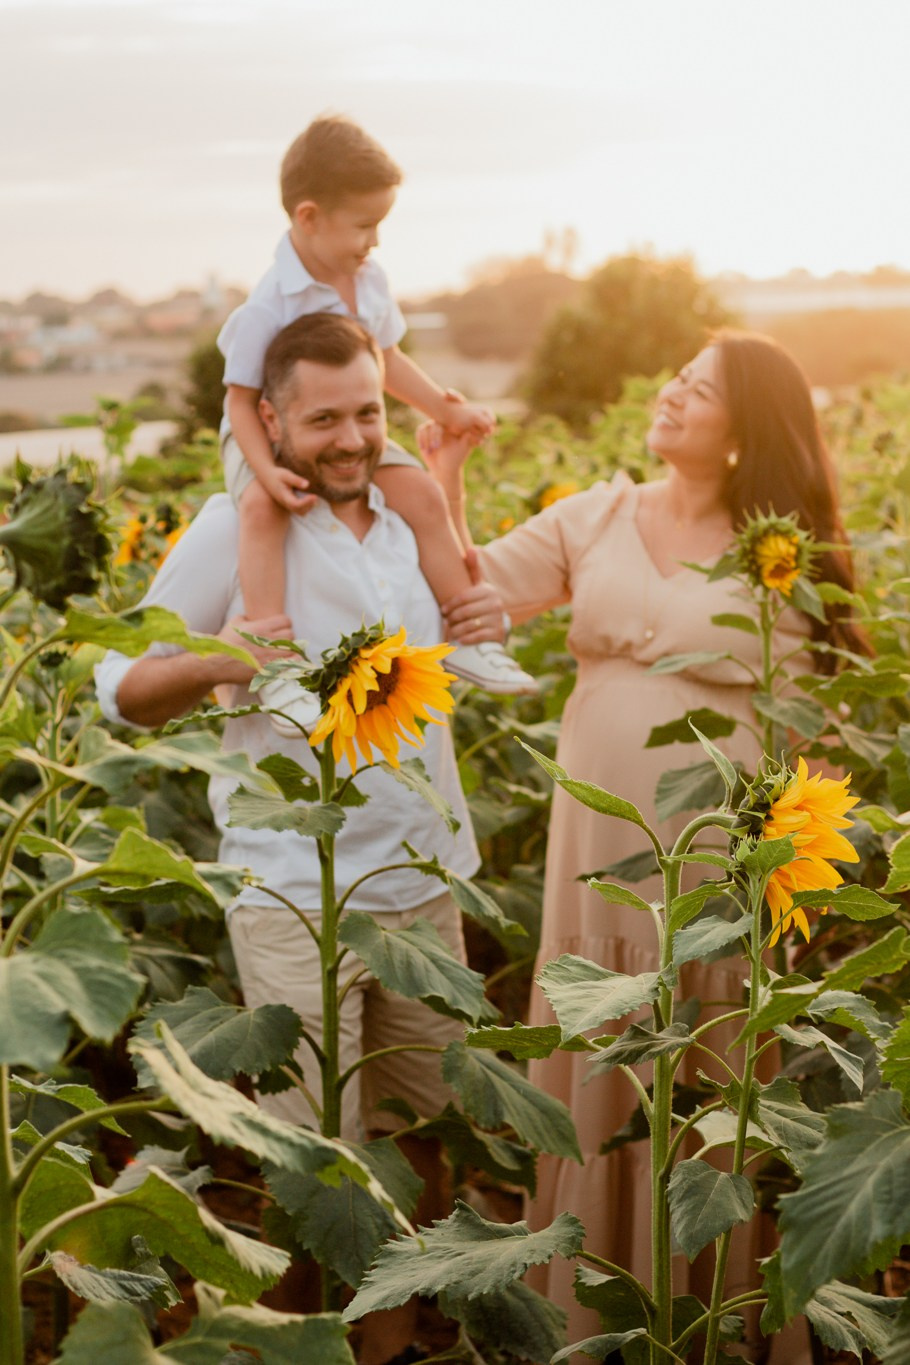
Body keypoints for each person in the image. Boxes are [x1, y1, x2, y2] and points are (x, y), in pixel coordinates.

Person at [423, 331, 865, 1356]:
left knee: (703, 1065)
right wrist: (444, 468)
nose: (669, 395)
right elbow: (469, 584)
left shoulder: (780, 550)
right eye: (674, 376)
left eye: (697, 391)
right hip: (600, 842)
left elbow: (824, 717)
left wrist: (786, 854)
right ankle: (588, 1321)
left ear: (745, 430)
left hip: (722, 848)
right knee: (601, 1036)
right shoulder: (598, 514)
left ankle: (705, 1320)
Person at [96, 313, 485, 1365]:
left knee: (425, 1136)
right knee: (312, 1155)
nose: (354, 437)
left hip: (418, 877)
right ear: (269, 418)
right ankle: (307, 1345)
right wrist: (214, 659)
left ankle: (398, 1339)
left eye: (368, 411)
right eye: (324, 419)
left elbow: (447, 652)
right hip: (292, 892)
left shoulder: (407, 518)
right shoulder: (235, 528)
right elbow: (122, 689)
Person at [216, 113, 536, 735]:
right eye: (365, 225)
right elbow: (238, 402)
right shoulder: (266, 307)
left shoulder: (369, 281)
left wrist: (446, 409)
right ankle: (278, 669)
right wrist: (266, 473)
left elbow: (386, 362)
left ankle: (465, 633)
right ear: (308, 217)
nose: (376, 241)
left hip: (341, 426)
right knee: (259, 511)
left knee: (418, 490)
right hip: (264, 432)